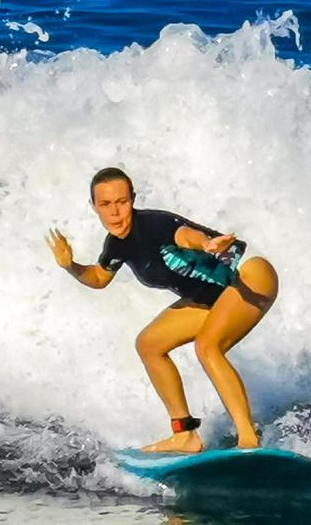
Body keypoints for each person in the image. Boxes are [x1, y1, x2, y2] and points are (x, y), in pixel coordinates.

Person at [45, 165, 279, 453]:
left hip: (249, 275)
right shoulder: (116, 245)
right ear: (94, 207)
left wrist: (206, 244)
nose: (115, 212)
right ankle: (185, 435)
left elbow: (184, 235)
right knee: (149, 344)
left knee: (208, 347)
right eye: (105, 204)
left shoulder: (155, 225)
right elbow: (99, 277)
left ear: (133, 198)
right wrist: (70, 265)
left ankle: (248, 439)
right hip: (214, 295)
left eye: (122, 202)